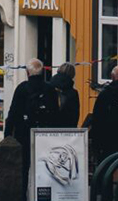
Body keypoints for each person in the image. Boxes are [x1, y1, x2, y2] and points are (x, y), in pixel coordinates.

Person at [5, 59, 49, 191]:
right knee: (44, 167)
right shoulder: (49, 89)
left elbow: (13, 112)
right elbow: (54, 114)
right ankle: (42, 198)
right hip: (44, 135)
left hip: (23, 133)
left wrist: (7, 134)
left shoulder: (22, 88)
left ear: (27, 72)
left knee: (23, 168)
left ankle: (22, 198)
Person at [47, 63, 81, 128]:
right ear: (73, 75)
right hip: (67, 129)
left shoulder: (48, 88)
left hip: (49, 128)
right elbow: (75, 115)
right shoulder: (73, 93)